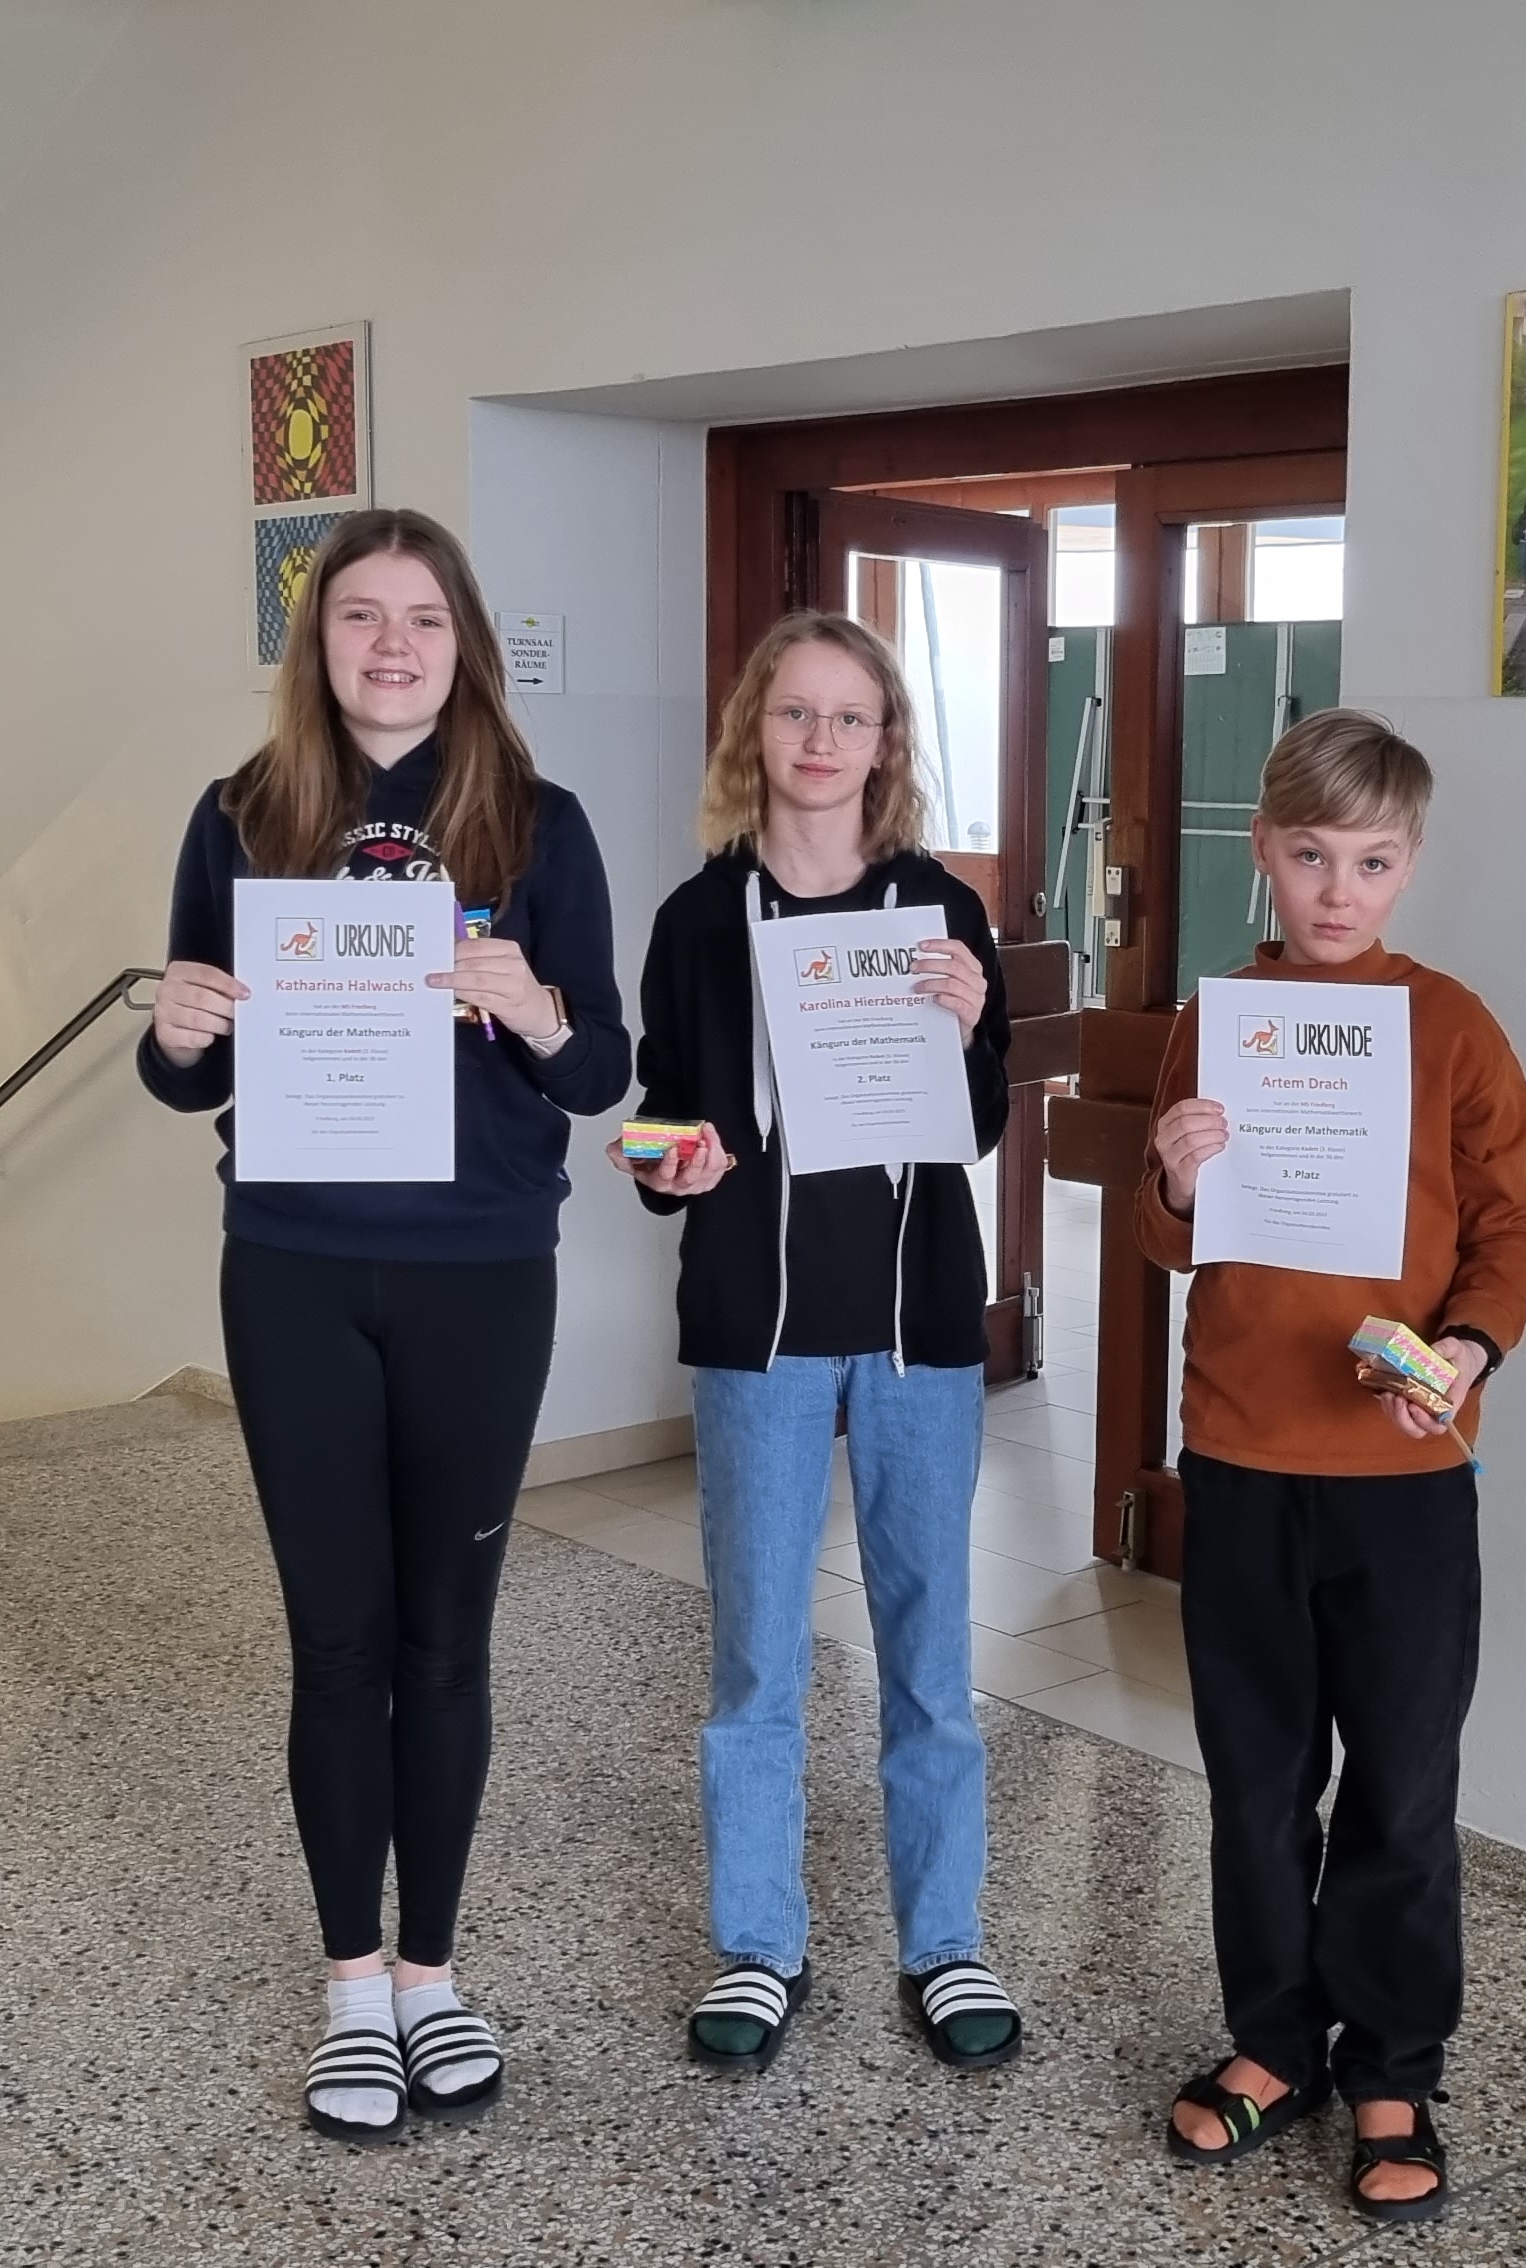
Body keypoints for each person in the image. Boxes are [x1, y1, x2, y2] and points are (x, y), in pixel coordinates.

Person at [138, 506, 633, 2142]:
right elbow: (186, 1068)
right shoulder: (242, 815)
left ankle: (433, 1974)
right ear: (320, 640)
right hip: (292, 1267)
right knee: (338, 1643)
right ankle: (352, 1985)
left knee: (445, 1641)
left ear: (463, 641)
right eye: (362, 615)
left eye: (424, 616)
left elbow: (601, 1071)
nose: (394, 644)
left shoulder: (540, 826)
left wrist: (536, 1010)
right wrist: (179, 1031)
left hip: (479, 1271)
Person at [1138, 709, 1526, 2226]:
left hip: (1404, 1472)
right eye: (1311, 856)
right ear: (1264, 850)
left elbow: (1510, 1223)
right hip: (1242, 1456)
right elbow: (1167, 1238)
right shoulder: (1219, 1020)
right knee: (1256, 1781)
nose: (1337, 890)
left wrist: (1470, 1349)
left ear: (1409, 864)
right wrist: (1177, 1178)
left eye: (1370, 863)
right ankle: (1273, 2042)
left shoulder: (1452, 1026)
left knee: (1401, 1783)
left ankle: (1391, 2061)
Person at [618, 610, 1026, 2080]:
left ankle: (945, 1941)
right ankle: (758, 1944)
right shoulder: (693, 921)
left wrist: (971, 1031)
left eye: (850, 717)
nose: (820, 741)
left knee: (932, 1654)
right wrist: (664, 1162)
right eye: (795, 713)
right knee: (756, 1660)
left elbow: (980, 1123)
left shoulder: (942, 911)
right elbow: (662, 1112)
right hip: (759, 1336)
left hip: (918, 1331)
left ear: (884, 743)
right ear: (755, 731)